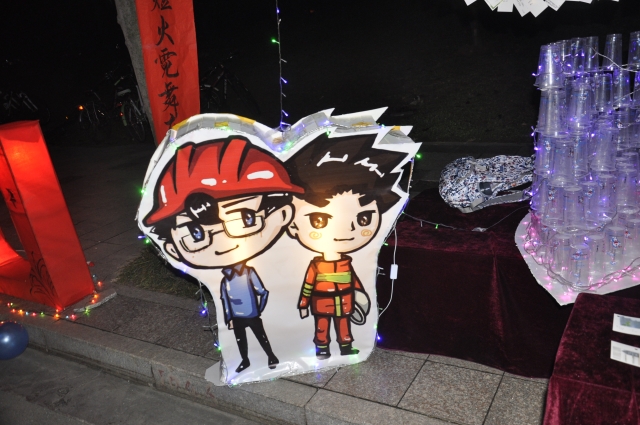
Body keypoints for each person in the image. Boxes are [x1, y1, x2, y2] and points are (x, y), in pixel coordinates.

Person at [143, 136, 304, 373]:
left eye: (245, 218)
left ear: (281, 215)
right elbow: (224, 298)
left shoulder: (249, 272)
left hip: (253, 314)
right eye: (195, 233)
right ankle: (244, 361)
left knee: (260, 335)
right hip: (236, 317)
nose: (222, 242)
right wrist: (228, 317)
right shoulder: (223, 278)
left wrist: (259, 309)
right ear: (172, 248)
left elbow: (262, 291)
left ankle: (271, 356)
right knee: (240, 339)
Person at [286, 133, 410, 359]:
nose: (346, 231)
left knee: (344, 325)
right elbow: (308, 285)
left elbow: (355, 282)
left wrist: (360, 296)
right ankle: (322, 348)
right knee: (322, 326)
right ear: (292, 223)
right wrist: (303, 303)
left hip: (345, 302)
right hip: (321, 303)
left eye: (363, 218)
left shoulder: (347, 263)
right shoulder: (316, 266)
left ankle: (345, 346)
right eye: (319, 220)